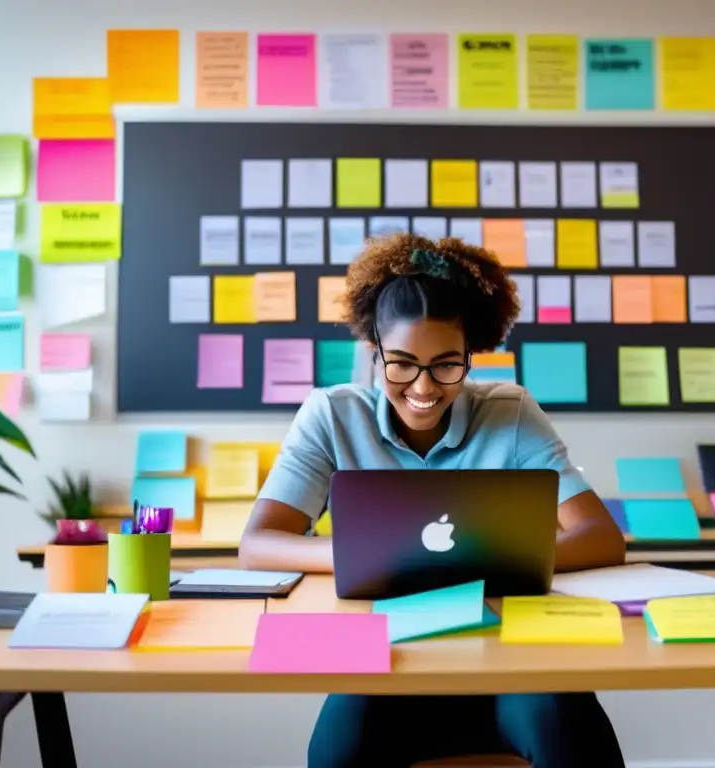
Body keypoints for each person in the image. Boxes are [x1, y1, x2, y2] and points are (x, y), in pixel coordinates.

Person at [240, 233, 628, 768]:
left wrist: (483, 562)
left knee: (573, 736)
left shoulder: (510, 412)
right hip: (384, 665)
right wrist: (371, 560)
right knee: (335, 755)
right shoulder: (330, 416)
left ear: (471, 355)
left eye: (447, 364)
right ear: (374, 354)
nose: (424, 386)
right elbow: (258, 544)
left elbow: (601, 537)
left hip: (509, 663)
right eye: (401, 363)